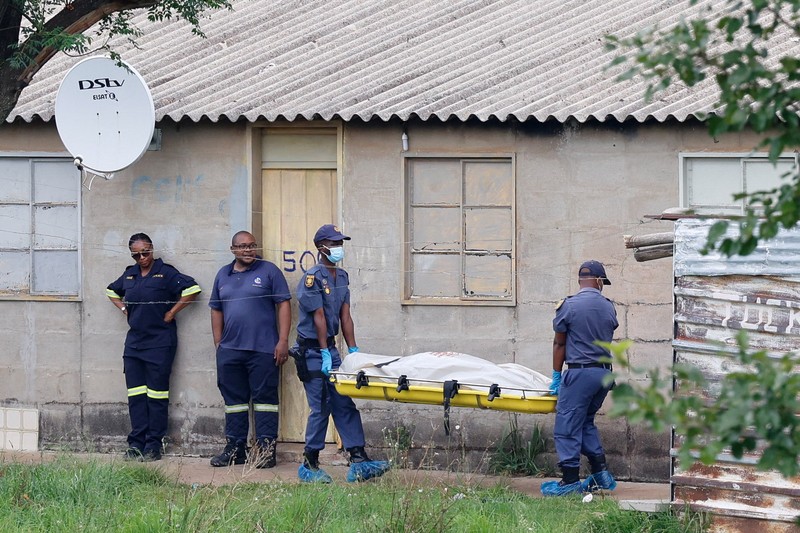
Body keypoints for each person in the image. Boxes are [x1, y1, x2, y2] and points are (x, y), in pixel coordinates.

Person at [291, 224, 390, 483]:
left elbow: (345, 315)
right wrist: (324, 352)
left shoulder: (343, 276)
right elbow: (319, 317)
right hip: (312, 350)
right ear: (321, 247)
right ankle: (310, 463)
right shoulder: (311, 278)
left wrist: (354, 349)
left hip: (331, 349)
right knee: (321, 406)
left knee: (344, 402)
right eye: (333, 243)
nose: (338, 248)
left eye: (340, 243)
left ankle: (359, 459)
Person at [106, 233, 201, 461]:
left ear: (152, 249)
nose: (142, 258)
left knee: (157, 395)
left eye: (145, 252)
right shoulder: (130, 274)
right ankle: (136, 443)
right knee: (136, 395)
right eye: (136, 254)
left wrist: (171, 312)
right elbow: (111, 291)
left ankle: (153, 445)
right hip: (135, 344)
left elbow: (192, 289)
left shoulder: (166, 272)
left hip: (160, 343)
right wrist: (122, 309)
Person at [208, 230, 291, 468]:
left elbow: (283, 304)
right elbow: (216, 308)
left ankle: (265, 451)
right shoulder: (223, 275)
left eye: (252, 245)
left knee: (265, 400)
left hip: (264, 349)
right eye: (243, 246)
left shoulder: (269, 271)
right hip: (230, 350)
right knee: (234, 401)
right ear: (233, 249)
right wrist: (218, 343)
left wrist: (283, 340)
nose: (248, 250)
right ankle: (235, 449)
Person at [541, 260, 619, 496]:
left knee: (566, 425)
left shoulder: (569, 305)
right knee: (585, 422)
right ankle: (600, 473)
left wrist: (556, 375)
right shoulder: (609, 307)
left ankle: (570, 481)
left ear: (580, 280)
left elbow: (559, 342)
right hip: (603, 374)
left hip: (580, 373)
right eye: (603, 282)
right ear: (598, 281)